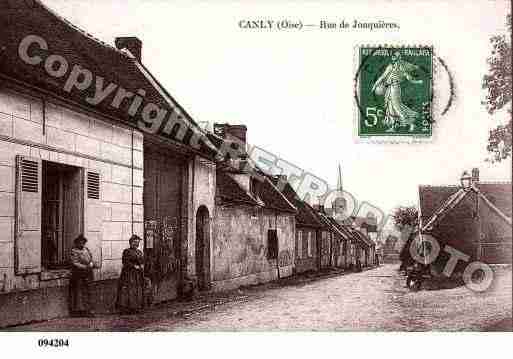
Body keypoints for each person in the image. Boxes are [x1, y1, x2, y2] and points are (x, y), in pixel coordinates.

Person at [371, 51, 423, 132]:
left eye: (394, 57)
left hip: (395, 88)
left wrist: (417, 81)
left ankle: (411, 124)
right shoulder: (390, 67)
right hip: (390, 88)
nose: (393, 58)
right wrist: (375, 86)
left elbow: (409, 78)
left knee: (397, 107)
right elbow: (382, 77)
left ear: (398, 58)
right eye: (392, 57)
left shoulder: (402, 68)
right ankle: (393, 127)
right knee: (390, 108)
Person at [116, 235, 145, 314]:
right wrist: (134, 266)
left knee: (136, 290)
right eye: (135, 242)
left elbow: (142, 260)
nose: (136, 244)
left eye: (137, 242)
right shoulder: (127, 251)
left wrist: (142, 265)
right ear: (130, 243)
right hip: (128, 274)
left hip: (137, 274)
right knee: (128, 290)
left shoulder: (139, 252)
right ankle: (126, 308)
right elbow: (125, 262)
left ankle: (135, 307)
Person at [69, 234, 94, 317]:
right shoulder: (74, 251)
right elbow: (75, 263)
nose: (82, 244)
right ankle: (79, 310)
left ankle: (87, 310)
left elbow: (90, 258)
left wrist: (91, 263)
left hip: (88, 273)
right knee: (79, 292)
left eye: (83, 242)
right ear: (77, 243)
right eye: (80, 242)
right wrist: (85, 267)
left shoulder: (86, 249)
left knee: (88, 292)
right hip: (78, 274)